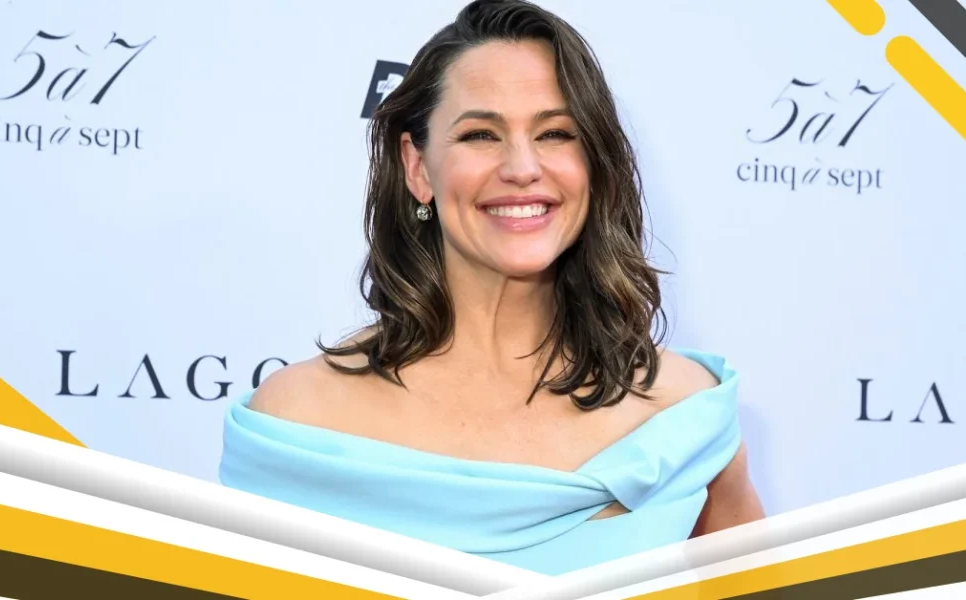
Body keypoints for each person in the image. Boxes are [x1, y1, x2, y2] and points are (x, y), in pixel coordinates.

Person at [219, 0, 764, 575]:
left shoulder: (684, 415)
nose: (522, 167)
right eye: (481, 134)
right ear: (418, 168)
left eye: (555, 133)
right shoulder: (299, 423)